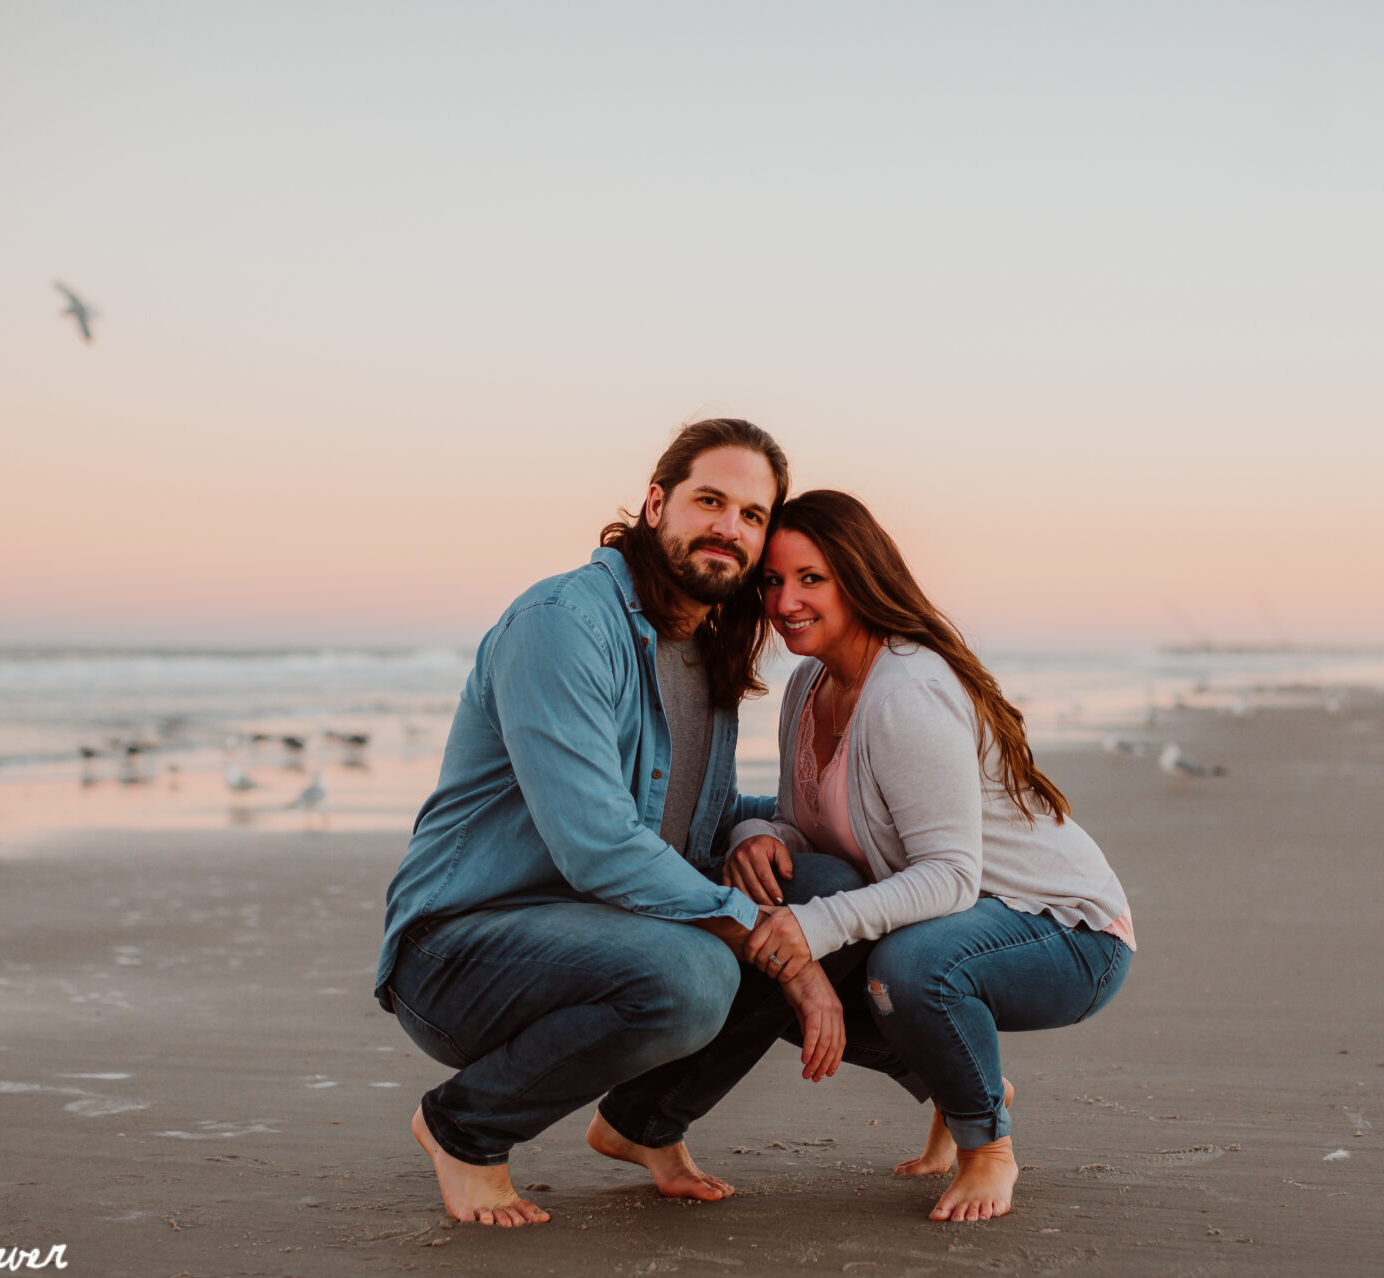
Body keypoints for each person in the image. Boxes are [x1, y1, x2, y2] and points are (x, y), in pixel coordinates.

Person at [605, 488, 1135, 1222]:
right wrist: (753, 834)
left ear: (859, 575)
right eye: (772, 581)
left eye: (811, 578)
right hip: (959, 915)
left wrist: (814, 927)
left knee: (903, 966)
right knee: (787, 973)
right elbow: (808, 823)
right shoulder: (810, 683)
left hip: (1065, 932)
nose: (786, 600)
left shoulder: (907, 689)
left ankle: (989, 1148)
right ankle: (962, 1080)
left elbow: (951, 876)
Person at [374, 419, 845, 1227]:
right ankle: (464, 1128)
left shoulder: (706, 648)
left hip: (601, 934)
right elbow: (600, 845)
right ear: (656, 503)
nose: (730, 528)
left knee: (822, 889)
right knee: (701, 972)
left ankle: (642, 1125)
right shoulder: (564, 624)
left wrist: (777, 833)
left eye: (752, 515)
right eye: (710, 500)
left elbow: (698, 818)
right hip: (458, 953)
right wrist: (771, 939)